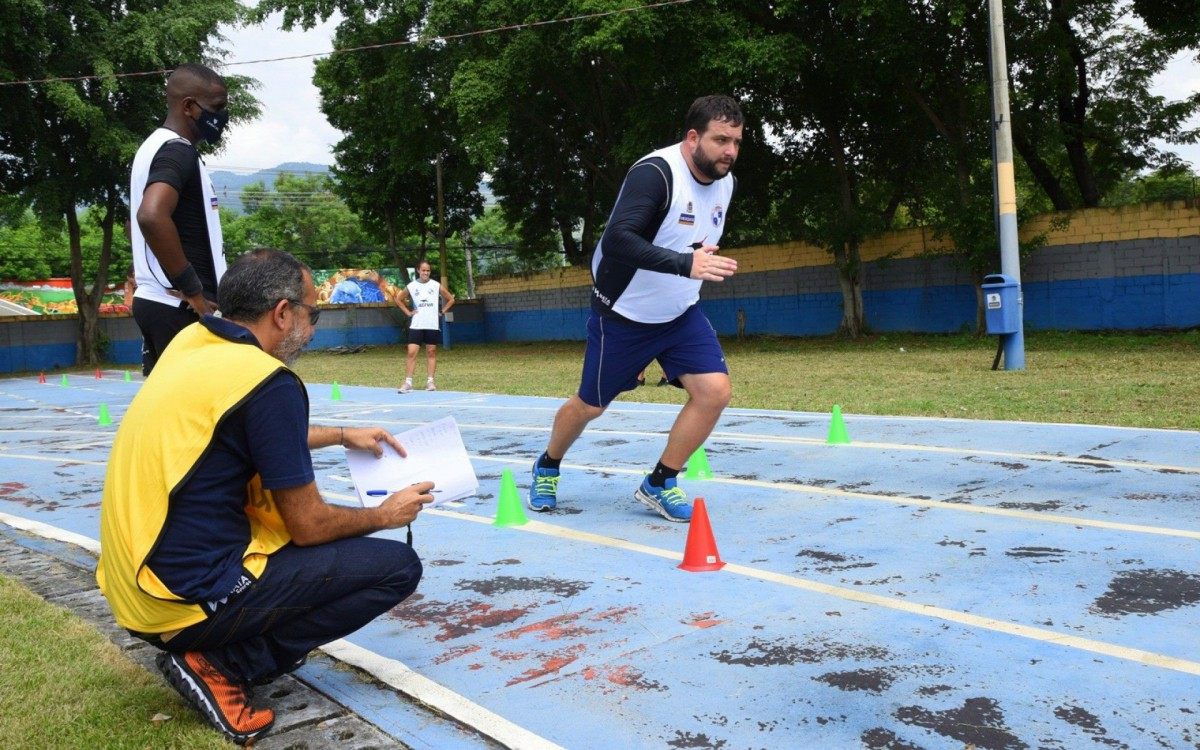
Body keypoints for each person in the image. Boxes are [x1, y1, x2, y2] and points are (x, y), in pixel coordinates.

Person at [97, 249, 434, 745]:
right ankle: (224, 664)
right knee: (397, 566)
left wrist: (341, 433)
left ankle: (216, 648)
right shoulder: (268, 382)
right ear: (282, 313)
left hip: (133, 590)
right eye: (312, 313)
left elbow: (241, 431)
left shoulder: (193, 343)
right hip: (184, 602)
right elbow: (309, 525)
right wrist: (384, 514)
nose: (313, 328)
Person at [528, 95, 742, 523]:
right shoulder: (656, 174)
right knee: (591, 405)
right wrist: (686, 262)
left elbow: (689, 239)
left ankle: (660, 481)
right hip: (623, 314)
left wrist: (695, 255)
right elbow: (618, 241)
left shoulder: (725, 182)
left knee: (714, 392)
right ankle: (548, 464)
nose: (730, 151)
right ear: (693, 137)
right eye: (721, 140)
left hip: (680, 312)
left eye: (737, 141)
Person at [129, 63, 230, 375]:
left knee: (175, 416)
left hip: (159, 303)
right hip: (179, 309)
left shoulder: (152, 148)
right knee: (207, 416)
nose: (223, 117)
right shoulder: (177, 151)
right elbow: (151, 216)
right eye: (217, 108)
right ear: (189, 106)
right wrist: (196, 295)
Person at [396, 260, 455, 393]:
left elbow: (451, 299)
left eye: (428, 270)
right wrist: (408, 313)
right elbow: (398, 299)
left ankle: (430, 382)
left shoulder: (435, 285)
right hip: (417, 324)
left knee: (431, 352)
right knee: (411, 353)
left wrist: (441, 312)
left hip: (432, 324)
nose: (426, 273)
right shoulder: (412, 286)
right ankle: (408, 382)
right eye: (423, 270)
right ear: (418, 270)